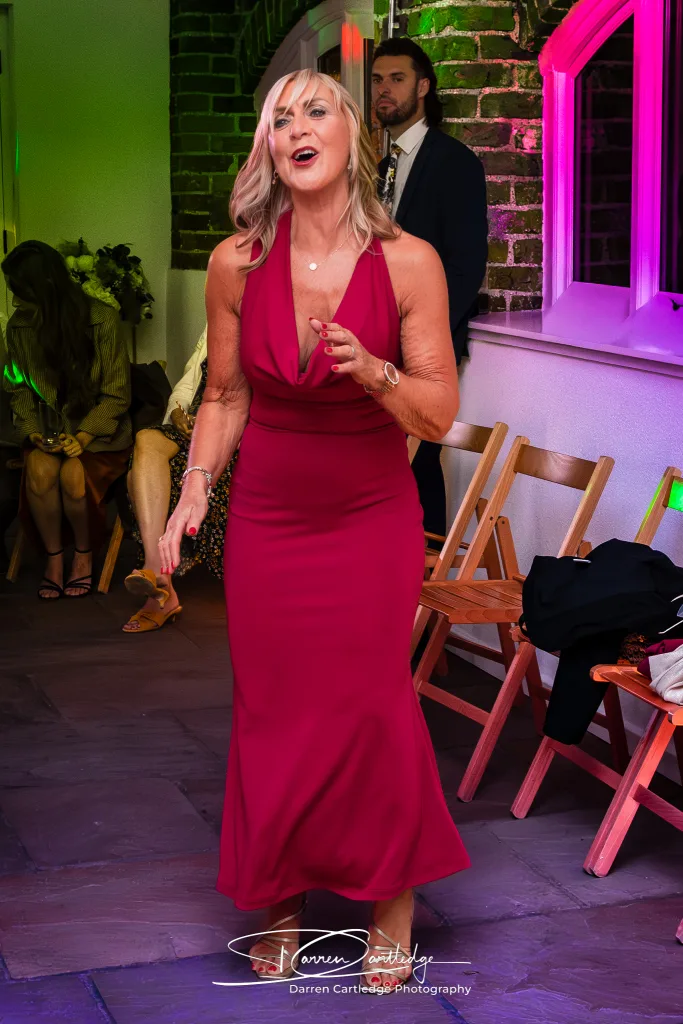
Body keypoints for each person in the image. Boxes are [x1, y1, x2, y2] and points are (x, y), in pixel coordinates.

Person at [158, 69, 470, 993]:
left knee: (371, 702)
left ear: (352, 137)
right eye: (279, 116)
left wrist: (371, 370)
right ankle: (282, 905)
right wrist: (194, 489)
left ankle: (390, 906)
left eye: (316, 109)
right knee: (274, 710)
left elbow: (437, 415)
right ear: (267, 147)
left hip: (370, 516)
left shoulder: (408, 261)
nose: (296, 126)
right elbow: (225, 394)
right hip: (269, 518)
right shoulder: (235, 263)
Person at [372, 36, 488, 538]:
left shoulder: (454, 162)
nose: (383, 90)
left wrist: (423, 335)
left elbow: (466, 267)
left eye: (396, 79)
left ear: (423, 87)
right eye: (377, 79)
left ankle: (426, 588)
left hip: (426, 343)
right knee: (378, 465)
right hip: (374, 340)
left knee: (420, 461)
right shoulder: (381, 170)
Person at [2, 241, 131, 599]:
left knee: (74, 476)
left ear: (43, 287)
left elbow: (117, 394)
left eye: (18, 290)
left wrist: (85, 436)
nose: (14, 299)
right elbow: (19, 390)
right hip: (48, 427)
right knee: (42, 473)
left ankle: (84, 558)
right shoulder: (20, 327)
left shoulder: (102, 319)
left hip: (100, 432)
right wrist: (31, 433)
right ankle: (54, 559)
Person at [122, 325, 237, 633]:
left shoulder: (278, 323)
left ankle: (161, 593)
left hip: (234, 436)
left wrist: (213, 429)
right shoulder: (219, 319)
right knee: (146, 438)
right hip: (193, 426)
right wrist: (177, 412)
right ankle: (155, 569)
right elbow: (188, 384)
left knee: (137, 477)